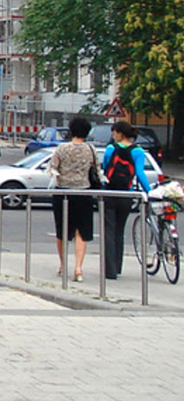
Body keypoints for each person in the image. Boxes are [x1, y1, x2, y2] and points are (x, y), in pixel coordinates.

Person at [47, 116, 96, 282]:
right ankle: (78, 268)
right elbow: (97, 170)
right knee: (81, 231)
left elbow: (52, 168)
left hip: (63, 192)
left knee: (62, 230)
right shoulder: (90, 149)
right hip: (83, 192)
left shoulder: (62, 148)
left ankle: (63, 264)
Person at [101, 119, 150, 280]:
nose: (113, 135)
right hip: (126, 195)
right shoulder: (138, 151)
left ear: (120, 134)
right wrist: (149, 192)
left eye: (114, 132)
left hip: (110, 193)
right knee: (119, 230)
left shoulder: (110, 149)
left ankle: (110, 270)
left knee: (109, 229)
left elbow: (105, 168)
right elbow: (140, 174)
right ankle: (118, 265)